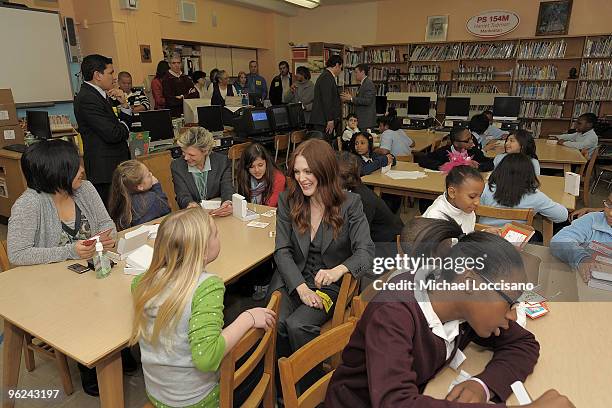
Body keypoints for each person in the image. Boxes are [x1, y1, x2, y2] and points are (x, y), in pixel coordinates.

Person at [326, 219, 574, 408]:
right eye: (510, 302)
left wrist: (483, 385)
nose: (512, 315)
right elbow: (396, 403)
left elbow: (523, 344)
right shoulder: (393, 313)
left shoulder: (462, 307)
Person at [130, 207, 276, 408]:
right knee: (258, 362)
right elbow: (206, 358)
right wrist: (248, 318)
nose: (219, 235)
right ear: (203, 250)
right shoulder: (207, 286)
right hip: (198, 401)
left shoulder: (141, 282)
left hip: (157, 394)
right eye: (216, 233)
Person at [7, 140, 117, 396]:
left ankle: (113, 352)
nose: (82, 170)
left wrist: (107, 236)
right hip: (52, 286)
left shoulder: (85, 189)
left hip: (93, 272)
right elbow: (17, 254)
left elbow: (106, 222)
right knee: (88, 304)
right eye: (74, 166)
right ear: (55, 173)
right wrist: (70, 251)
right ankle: (93, 361)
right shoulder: (29, 204)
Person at [272, 139, 374, 373]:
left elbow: (366, 251)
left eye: (308, 171)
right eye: (297, 172)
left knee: (297, 326)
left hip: (328, 285)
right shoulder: (287, 201)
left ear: (324, 170)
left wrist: (337, 270)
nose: (301, 178)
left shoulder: (351, 204)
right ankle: (281, 388)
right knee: (276, 322)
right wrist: (301, 288)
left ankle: (309, 388)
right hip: (292, 279)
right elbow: (282, 251)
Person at [74, 54, 133, 204]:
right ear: (97, 75)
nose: (114, 78)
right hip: (105, 171)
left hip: (113, 168)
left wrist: (124, 105)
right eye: (110, 73)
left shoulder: (100, 95)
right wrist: (124, 127)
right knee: (113, 215)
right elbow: (113, 134)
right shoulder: (88, 98)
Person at [480, 153, 568, 229]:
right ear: (530, 174)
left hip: (486, 236)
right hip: (516, 239)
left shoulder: (485, 188)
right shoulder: (535, 196)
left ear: (499, 170)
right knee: (537, 236)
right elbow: (562, 216)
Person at [551, 192, 612, 283]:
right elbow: (559, 240)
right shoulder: (593, 220)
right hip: (581, 281)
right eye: (609, 204)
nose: (610, 213)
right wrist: (582, 258)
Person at [171, 127, 233, 214]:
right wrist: (190, 204)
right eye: (183, 152)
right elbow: (182, 194)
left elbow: (227, 188)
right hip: (193, 216)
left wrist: (228, 202)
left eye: (191, 155)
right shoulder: (177, 166)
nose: (186, 158)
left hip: (218, 213)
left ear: (205, 152)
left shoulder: (222, 162)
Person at [108, 160, 171, 231]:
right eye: (148, 175)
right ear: (140, 187)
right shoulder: (152, 199)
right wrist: (157, 187)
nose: (151, 174)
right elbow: (167, 211)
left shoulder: (120, 202)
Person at [423, 165, 485, 233]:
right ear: (452, 193)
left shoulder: (467, 208)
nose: (477, 202)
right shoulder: (436, 217)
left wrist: (483, 233)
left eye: (480, 196)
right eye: (472, 196)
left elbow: (468, 235)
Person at [419, 126, 494, 172]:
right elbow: (423, 159)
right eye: (467, 140)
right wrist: (441, 166)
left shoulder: (474, 151)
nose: (472, 142)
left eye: (471, 137)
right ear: (456, 143)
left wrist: (478, 166)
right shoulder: (443, 152)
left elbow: (491, 163)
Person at [236, 142, 286, 208]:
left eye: (260, 165)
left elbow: (269, 207)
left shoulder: (278, 178)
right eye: (251, 166)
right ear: (246, 167)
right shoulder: (244, 175)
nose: (257, 170)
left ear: (266, 163)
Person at [311, 55, 343, 140]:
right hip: (323, 120)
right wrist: (330, 119)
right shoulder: (327, 77)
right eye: (340, 68)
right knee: (324, 147)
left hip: (324, 119)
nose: (340, 71)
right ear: (337, 65)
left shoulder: (327, 76)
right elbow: (327, 100)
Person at [340, 63, 376, 129]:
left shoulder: (368, 84)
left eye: (356, 72)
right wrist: (348, 100)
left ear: (362, 72)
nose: (355, 74)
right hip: (362, 120)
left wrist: (351, 98)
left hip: (366, 121)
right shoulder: (363, 84)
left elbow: (367, 101)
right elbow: (359, 101)